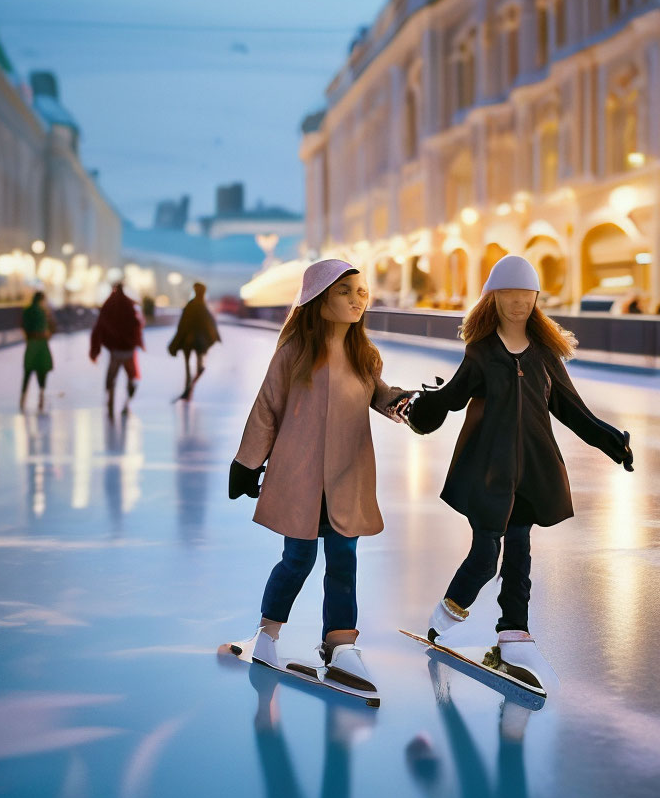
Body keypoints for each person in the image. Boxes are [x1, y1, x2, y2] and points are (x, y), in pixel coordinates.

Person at [405, 255, 634, 691]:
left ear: (535, 299)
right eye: (508, 296)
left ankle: (514, 632)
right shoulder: (483, 352)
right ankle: (448, 612)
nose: (517, 304)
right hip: (488, 471)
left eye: (524, 296)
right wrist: (423, 406)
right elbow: (452, 397)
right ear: (494, 299)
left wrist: (613, 442)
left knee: (519, 553)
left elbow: (574, 411)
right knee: (486, 554)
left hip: (531, 469)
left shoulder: (546, 356)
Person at [227, 259, 412, 699]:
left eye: (361, 292)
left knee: (344, 557)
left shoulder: (364, 355)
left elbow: (379, 392)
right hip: (301, 474)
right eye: (344, 292)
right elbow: (267, 408)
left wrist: (405, 403)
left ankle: (341, 643)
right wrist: (247, 463)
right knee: (298, 559)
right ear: (318, 299)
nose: (356, 300)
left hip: (347, 474)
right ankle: (267, 635)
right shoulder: (294, 354)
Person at [89, 281, 145, 418]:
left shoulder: (109, 305)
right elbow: (136, 324)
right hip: (128, 349)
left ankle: (110, 403)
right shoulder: (129, 304)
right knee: (130, 376)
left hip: (115, 349)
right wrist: (136, 342)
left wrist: (95, 350)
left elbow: (100, 326)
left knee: (111, 377)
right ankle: (126, 402)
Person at [168, 282, 221, 400]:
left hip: (188, 341)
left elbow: (182, 324)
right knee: (200, 367)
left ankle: (188, 388)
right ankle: (189, 388)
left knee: (188, 366)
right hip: (199, 343)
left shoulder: (191, 305)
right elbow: (210, 324)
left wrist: (178, 339)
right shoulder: (202, 306)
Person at [20, 290, 55, 412]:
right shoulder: (43, 312)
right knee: (42, 369)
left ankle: (23, 397)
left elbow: (23, 325)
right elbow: (50, 327)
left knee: (28, 370)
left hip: (31, 343)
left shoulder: (27, 310)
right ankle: (41, 394)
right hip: (41, 344)